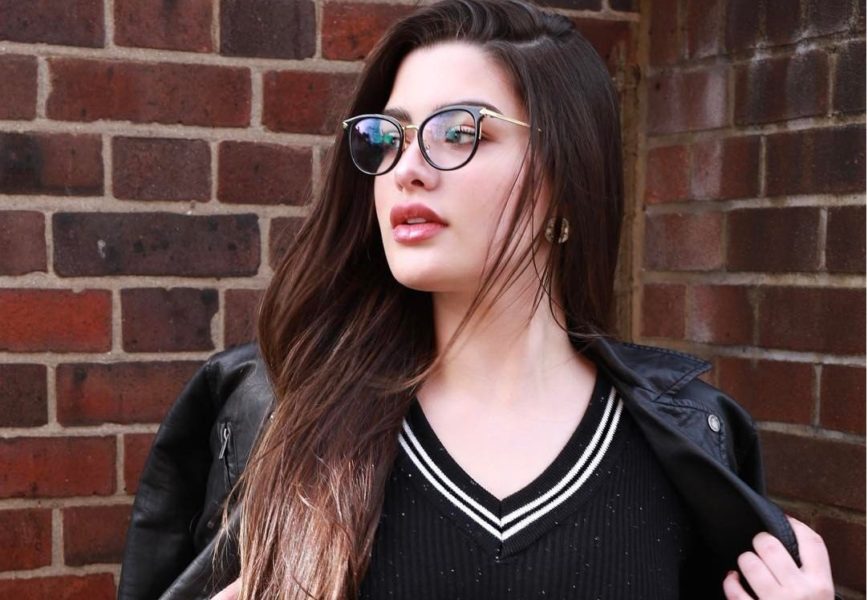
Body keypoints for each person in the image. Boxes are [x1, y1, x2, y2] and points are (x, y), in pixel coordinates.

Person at [118, 1, 838, 599]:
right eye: (388, 137)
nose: (406, 168)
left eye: (459, 131)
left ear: (566, 177)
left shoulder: (689, 443)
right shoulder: (285, 418)